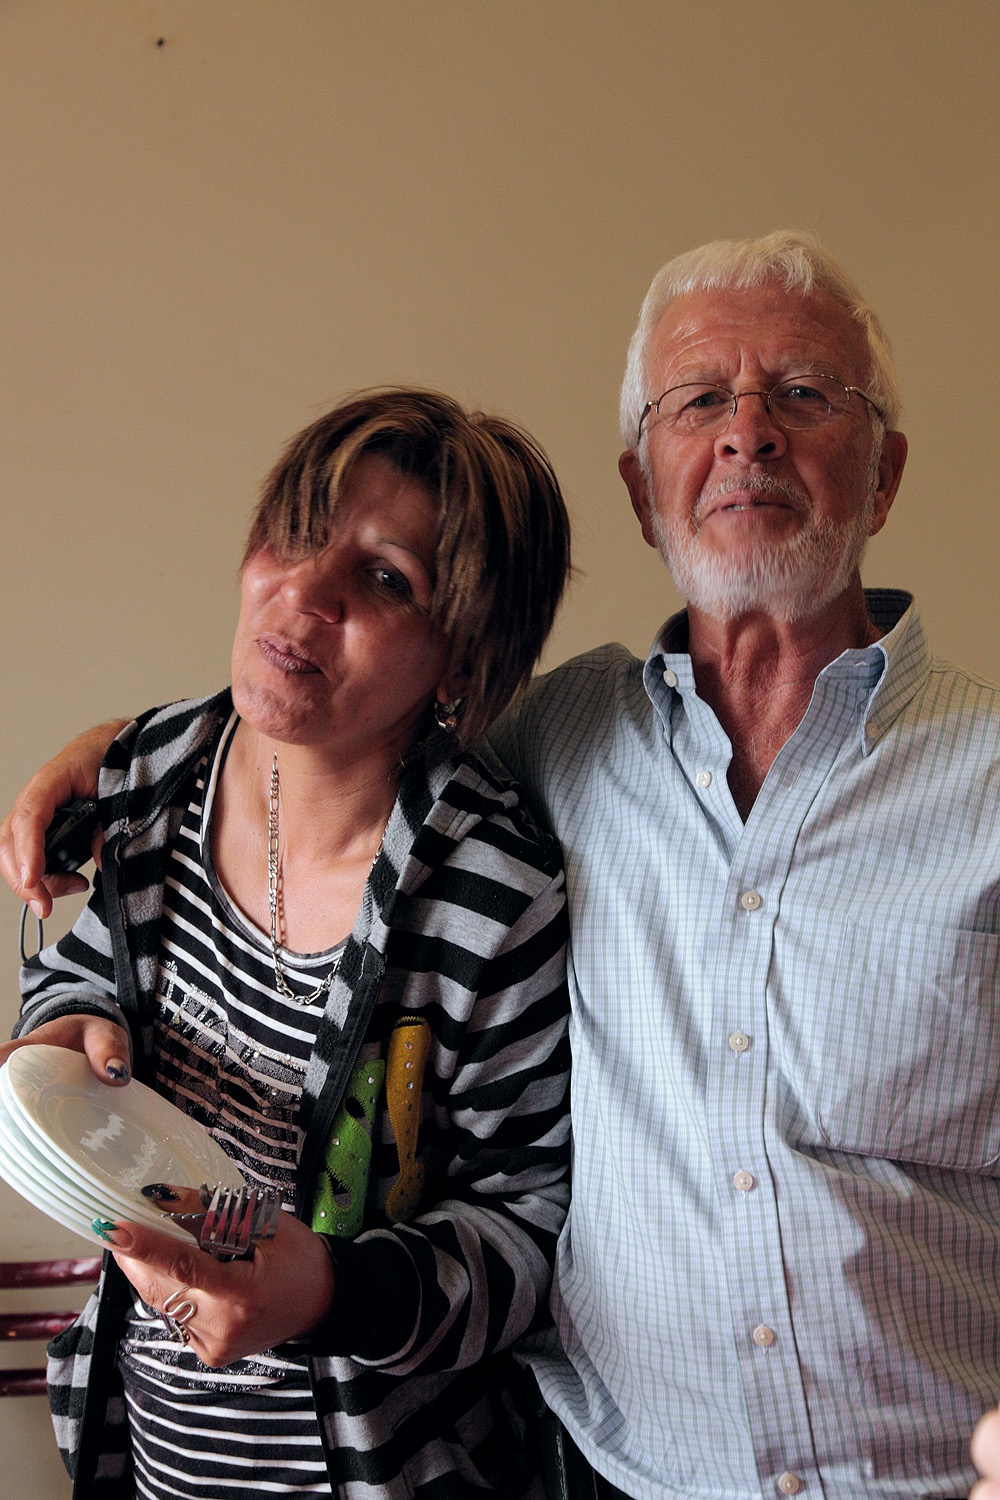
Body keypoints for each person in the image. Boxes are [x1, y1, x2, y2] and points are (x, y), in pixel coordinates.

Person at [5, 231, 999, 1499]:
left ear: (886, 471)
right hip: (601, 1473)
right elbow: (298, 737)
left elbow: (514, 1207)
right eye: (699, 400)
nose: (747, 432)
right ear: (643, 487)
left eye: (802, 395)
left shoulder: (977, 783)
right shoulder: (559, 743)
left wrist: (327, 1287)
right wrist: (107, 769)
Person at [0, 387, 573, 1500]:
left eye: (385, 579)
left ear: (461, 661)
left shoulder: (492, 893)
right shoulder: (153, 774)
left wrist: (324, 1295)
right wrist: (63, 1025)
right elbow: (86, 968)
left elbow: (531, 1233)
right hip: (144, 1455)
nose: (302, 594)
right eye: (296, 535)